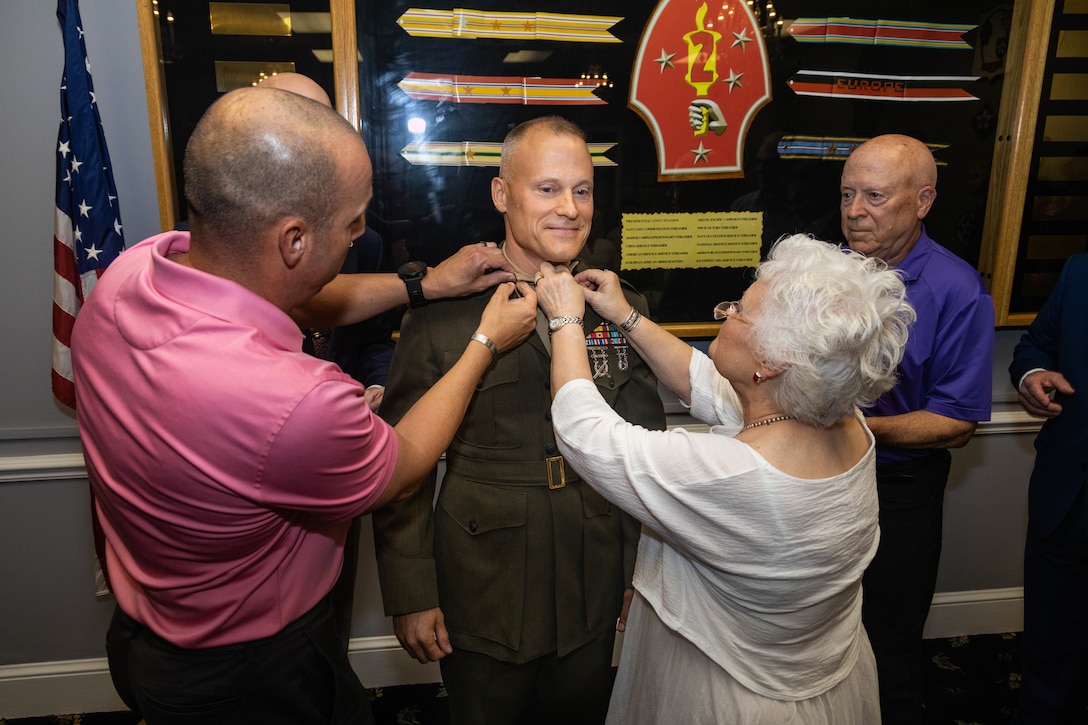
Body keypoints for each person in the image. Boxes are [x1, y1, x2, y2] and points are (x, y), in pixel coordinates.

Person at [71, 85, 539, 724]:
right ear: (293, 240)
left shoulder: (130, 275)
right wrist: (485, 342)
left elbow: (282, 292)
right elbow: (401, 469)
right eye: (352, 222)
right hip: (255, 678)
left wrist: (423, 285)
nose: (360, 233)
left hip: (145, 645)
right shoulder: (297, 402)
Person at [533, 233, 915, 723]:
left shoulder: (732, 474)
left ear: (773, 362)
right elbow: (707, 383)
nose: (726, 313)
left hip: (730, 694)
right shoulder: (844, 421)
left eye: (740, 311)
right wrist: (625, 315)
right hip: (817, 676)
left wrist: (565, 318)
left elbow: (585, 433)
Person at [372, 116, 667, 725]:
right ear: (502, 194)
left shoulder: (616, 305)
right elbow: (402, 466)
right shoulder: (447, 312)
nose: (569, 208)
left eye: (582, 190)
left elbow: (647, 452)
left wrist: (643, 569)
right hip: (486, 577)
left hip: (591, 564)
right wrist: (411, 591)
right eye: (548, 189)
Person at [840, 133, 995, 724]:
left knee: (886, 652)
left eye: (875, 196)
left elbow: (955, 422)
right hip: (818, 485)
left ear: (923, 201)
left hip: (896, 498)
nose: (856, 211)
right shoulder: (829, 269)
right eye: (849, 194)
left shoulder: (958, 291)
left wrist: (848, 426)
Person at [1009, 253, 1088, 724]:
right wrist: (1032, 374)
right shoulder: (1079, 270)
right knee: (1049, 645)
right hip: (1067, 496)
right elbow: (1038, 343)